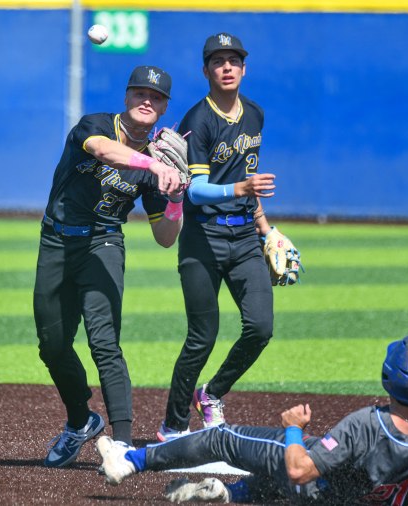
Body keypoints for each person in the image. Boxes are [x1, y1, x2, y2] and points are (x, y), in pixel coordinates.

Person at [96, 335, 408, 505]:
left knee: (224, 439)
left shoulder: (365, 423)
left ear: (388, 378)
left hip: (309, 486)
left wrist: (294, 425)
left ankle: (131, 460)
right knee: (295, 487)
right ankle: (230, 494)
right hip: (341, 502)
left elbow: (299, 467)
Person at [34, 65, 185, 468]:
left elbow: (166, 237)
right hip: (56, 239)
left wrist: (175, 197)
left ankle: (121, 445)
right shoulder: (96, 125)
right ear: (127, 97)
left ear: (164, 107)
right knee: (52, 345)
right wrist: (153, 166)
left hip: (103, 242)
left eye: (155, 98)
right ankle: (81, 422)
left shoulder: (160, 161)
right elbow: (103, 151)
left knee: (104, 341)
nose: (146, 101)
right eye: (139, 93)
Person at [156, 31, 295, 442]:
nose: (227, 67)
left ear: (244, 68)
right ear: (206, 71)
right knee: (202, 336)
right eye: (218, 61)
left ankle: (212, 394)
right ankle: (173, 426)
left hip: (244, 239)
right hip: (203, 239)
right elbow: (196, 191)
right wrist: (240, 191)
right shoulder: (197, 120)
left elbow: (246, 176)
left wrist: (266, 227)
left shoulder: (254, 114)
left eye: (234, 60)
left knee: (261, 328)